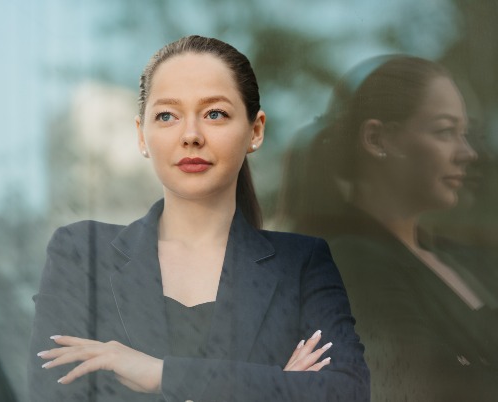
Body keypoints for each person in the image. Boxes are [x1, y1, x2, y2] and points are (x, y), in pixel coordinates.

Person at [28, 35, 369, 401]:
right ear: (142, 135)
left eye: (214, 114)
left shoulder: (300, 264)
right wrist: (274, 386)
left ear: (255, 130)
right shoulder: (82, 254)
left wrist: (161, 374)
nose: (191, 135)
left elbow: (344, 392)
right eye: (167, 116)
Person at [278, 55, 498, 401]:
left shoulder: (452, 255)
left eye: (465, 134)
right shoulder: (353, 264)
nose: (467, 153)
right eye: (445, 132)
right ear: (378, 139)